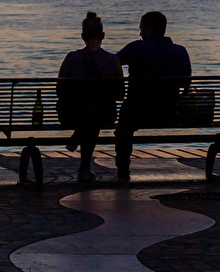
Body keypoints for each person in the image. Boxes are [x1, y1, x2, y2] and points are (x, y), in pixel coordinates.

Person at [114, 10, 191, 182]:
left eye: (141, 28)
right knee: (129, 115)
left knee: (124, 127)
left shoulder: (136, 47)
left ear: (148, 28)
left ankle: (123, 170)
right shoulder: (180, 51)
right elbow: (186, 85)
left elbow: (113, 62)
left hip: (137, 112)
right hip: (170, 112)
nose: (139, 32)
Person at [56, 11, 124, 183]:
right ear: (103, 35)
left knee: (88, 117)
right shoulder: (113, 60)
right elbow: (120, 94)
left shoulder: (71, 58)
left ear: (82, 36)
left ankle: (79, 145)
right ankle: (83, 168)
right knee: (93, 118)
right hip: (104, 115)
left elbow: (59, 90)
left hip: (71, 114)